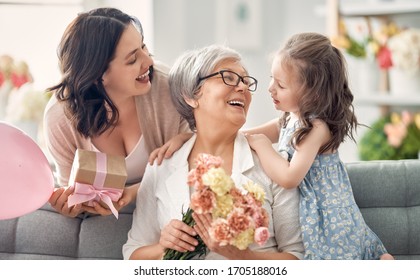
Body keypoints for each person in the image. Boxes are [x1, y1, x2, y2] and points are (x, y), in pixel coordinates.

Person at [122, 44, 304, 260]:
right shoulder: (161, 166)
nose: (243, 88)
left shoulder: (273, 165)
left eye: (246, 82)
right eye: (228, 77)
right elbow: (132, 254)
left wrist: (243, 256)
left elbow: (297, 257)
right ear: (190, 96)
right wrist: (163, 246)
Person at [244, 32, 393, 260]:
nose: (270, 88)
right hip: (310, 207)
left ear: (312, 93)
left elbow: (290, 177)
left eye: (281, 85)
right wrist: (194, 136)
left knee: (342, 256)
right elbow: (245, 136)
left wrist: (263, 146)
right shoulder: (289, 117)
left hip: (329, 214)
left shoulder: (316, 128)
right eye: (271, 78)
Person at [43, 7, 190, 218]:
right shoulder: (59, 118)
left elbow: (195, 165)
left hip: (167, 213)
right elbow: (72, 191)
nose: (148, 61)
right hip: (105, 225)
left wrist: (134, 193)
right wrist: (73, 205)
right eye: (132, 60)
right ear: (96, 75)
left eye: (143, 47)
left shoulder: (168, 88)